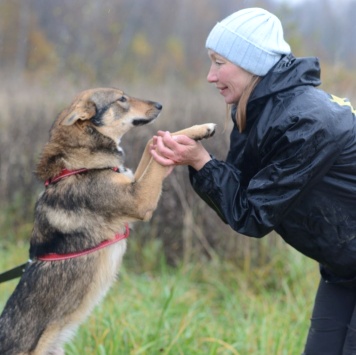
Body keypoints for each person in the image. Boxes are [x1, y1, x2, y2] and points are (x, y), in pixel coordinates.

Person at [149, 7, 356, 355]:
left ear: (252, 64)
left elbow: (253, 216)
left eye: (219, 62)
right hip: (344, 267)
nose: (210, 76)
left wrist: (200, 161)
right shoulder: (259, 111)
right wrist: (197, 163)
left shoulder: (305, 121)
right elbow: (241, 194)